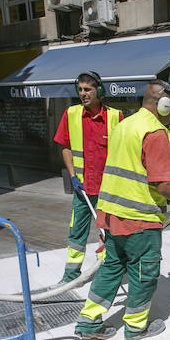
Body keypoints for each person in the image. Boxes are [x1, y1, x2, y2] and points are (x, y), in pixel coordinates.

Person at [73, 80, 170, 340]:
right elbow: (165, 185)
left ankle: (88, 322)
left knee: (112, 268)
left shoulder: (125, 125)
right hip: (139, 218)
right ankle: (136, 327)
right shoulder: (155, 132)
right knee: (143, 272)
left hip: (112, 214)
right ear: (164, 105)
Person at [53, 71, 123, 283]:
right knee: (76, 233)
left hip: (108, 190)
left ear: (99, 91)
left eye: (88, 89)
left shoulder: (115, 117)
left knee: (109, 233)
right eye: (80, 89)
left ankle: (106, 272)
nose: (83, 94)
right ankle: (70, 275)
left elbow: (123, 153)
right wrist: (73, 176)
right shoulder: (71, 114)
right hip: (82, 189)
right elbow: (65, 146)